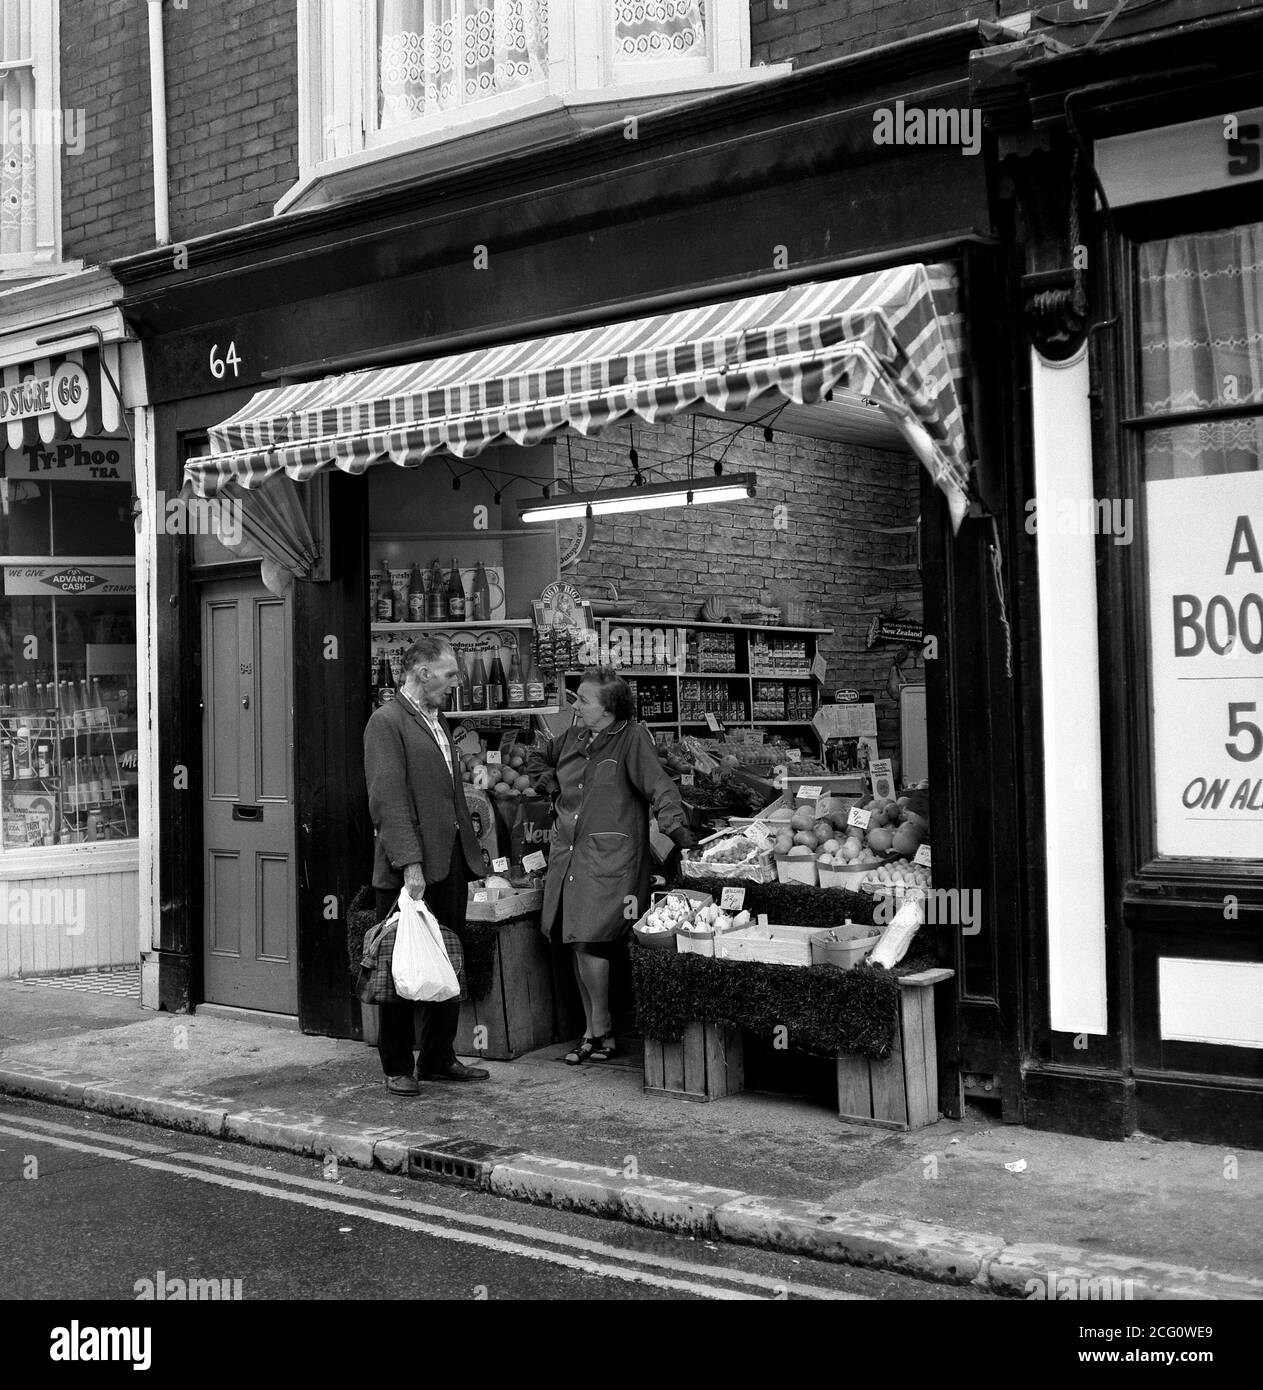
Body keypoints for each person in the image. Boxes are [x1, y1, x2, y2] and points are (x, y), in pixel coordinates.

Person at [527, 666, 697, 1064]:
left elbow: (660, 786)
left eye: (584, 699)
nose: (577, 704)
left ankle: (599, 1029)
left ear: (607, 709)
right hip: (569, 854)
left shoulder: (631, 738)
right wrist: (551, 786)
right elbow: (538, 757)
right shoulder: (572, 737)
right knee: (575, 939)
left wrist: (680, 834)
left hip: (611, 860)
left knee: (590, 939)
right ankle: (596, 1032)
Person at [363, 634, 490, 1095]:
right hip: (410, 868)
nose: (455, 683)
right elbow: (388, 800)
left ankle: (438, 1057)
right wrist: (410, 866)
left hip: (450, 861)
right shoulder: (387, 722)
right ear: (422, 673)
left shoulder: (438, 721)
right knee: (400, 964)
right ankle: (397, 1065)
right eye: (450, 674)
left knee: (445, 958)